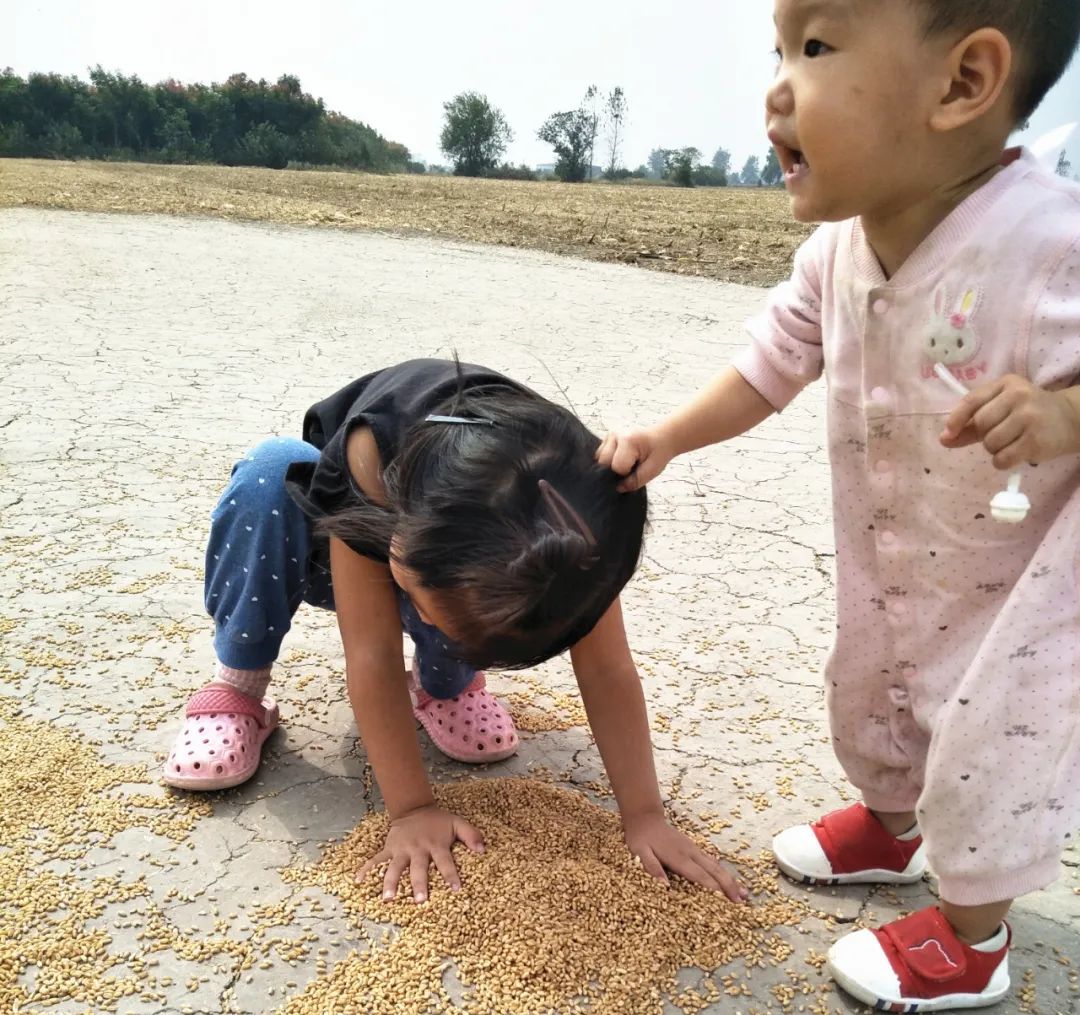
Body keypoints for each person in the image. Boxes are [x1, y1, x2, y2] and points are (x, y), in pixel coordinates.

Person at [598, 0, 1080, 1009]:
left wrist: (1060, 413)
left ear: (962, 83)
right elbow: (770, 363)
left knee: (990, 738)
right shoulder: (838, 253)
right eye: (776, 49)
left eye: (815, 48)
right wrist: (668, 437)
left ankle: (972, 935)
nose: (777, 85)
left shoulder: (1048, 244)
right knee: (872, 685)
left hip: (1026, 584)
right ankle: (893, 826)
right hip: (897, 553)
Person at [163, 358, 747, 904]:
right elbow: (370, 653)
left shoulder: (580, 530)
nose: (421, 615)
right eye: (422, 601)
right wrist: (412, 810)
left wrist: (645, 815)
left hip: (458, 569)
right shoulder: (370, 455)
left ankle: (445, 684)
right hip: (342, 530)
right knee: (267, 474)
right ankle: (239, 684)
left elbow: (607, 667)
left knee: (472, 605)